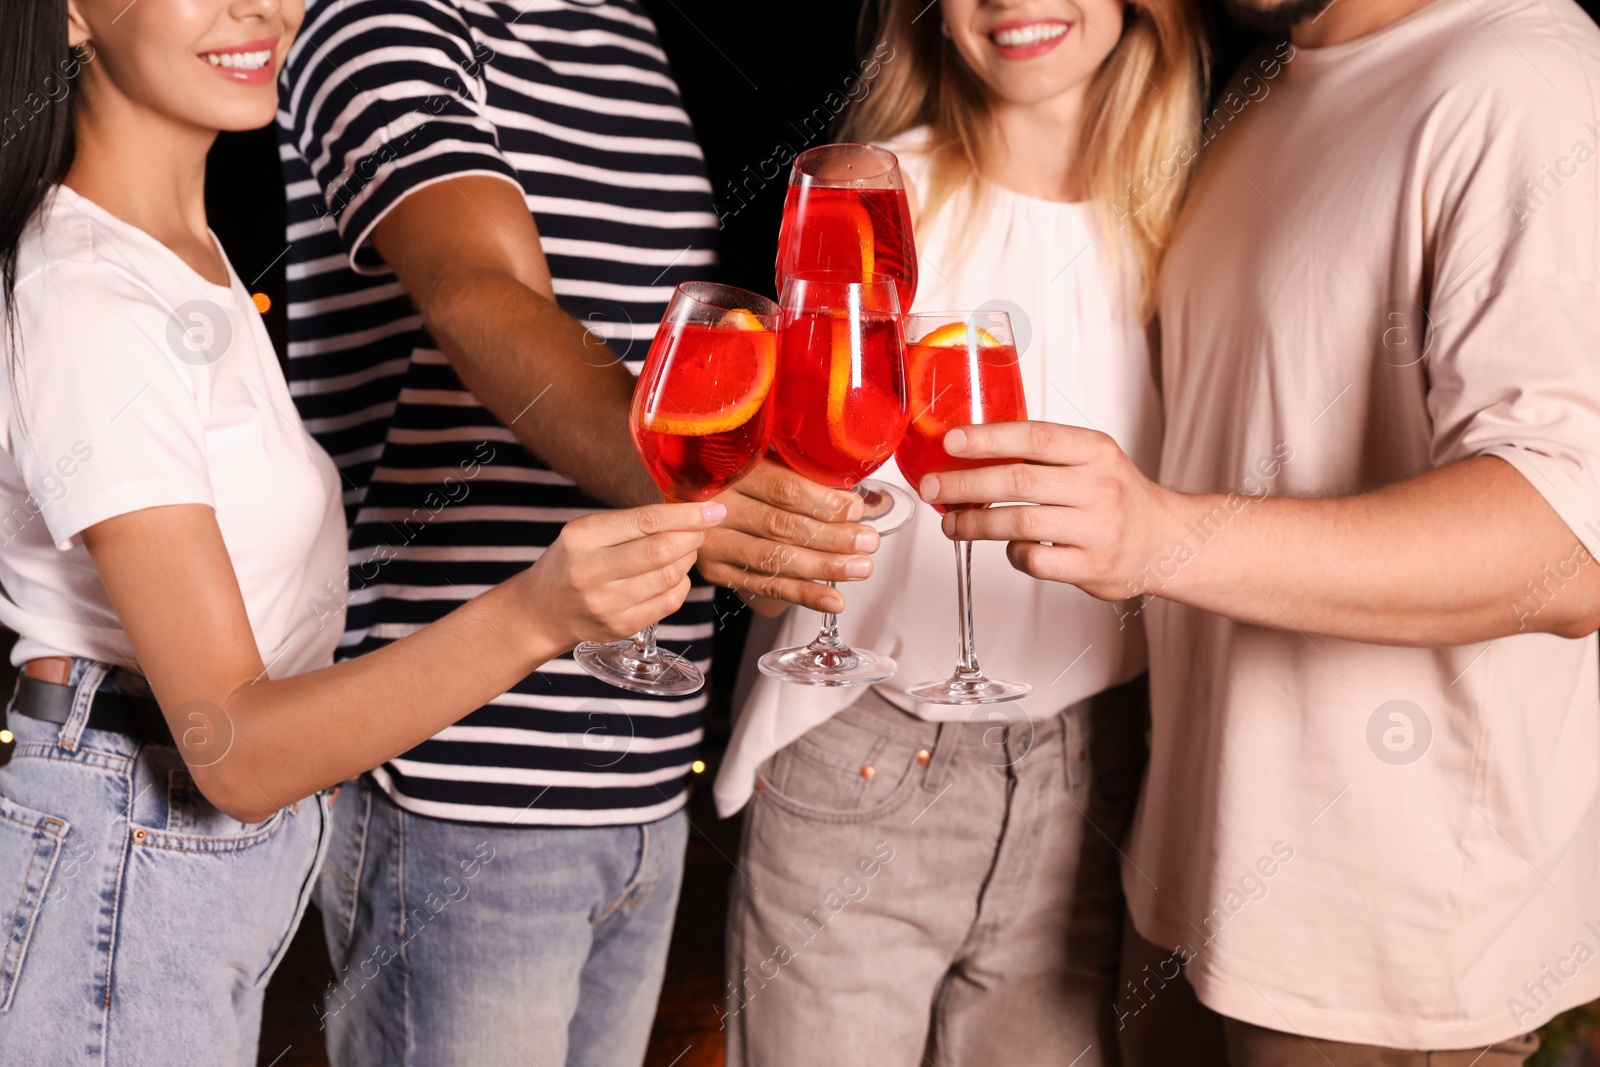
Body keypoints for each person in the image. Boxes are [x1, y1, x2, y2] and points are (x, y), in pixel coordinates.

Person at [0, 1, 722, 1065]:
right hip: (125, 837)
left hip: (175, 853)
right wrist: (539, 610)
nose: (260, 7)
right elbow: (232, 750)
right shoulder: (94, 295)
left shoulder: (180, 259)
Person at [923, 0, 1600, 1062]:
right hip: (1186, 891)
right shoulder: (1257, 94)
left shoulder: (1521, 74)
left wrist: (1163, 538)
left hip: (1377, 955)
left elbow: (1563, 548)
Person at [276, 1, 881, 1063]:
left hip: (641, 764)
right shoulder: (376, 22)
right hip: (462, 777)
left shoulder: (620, 29)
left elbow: (677, 352)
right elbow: (476, 293)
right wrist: (711, 496)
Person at [714, 0, 1203, 1063]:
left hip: (1098, 771)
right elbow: (777, 511)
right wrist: (766, 522)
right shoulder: (868, 194)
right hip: (870, 752)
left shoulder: (1192, 207)